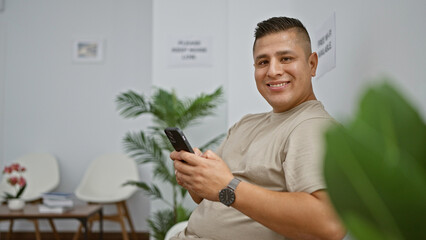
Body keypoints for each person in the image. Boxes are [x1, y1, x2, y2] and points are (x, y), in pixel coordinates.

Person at [170, 16, 346, 240]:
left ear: (312, 64)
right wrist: (195, 176)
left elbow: (329, 225)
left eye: (286, 58)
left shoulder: (313, 127)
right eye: (263, 62)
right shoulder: (246, 123)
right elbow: (206, 196)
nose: (273, 71)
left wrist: (228, 187)